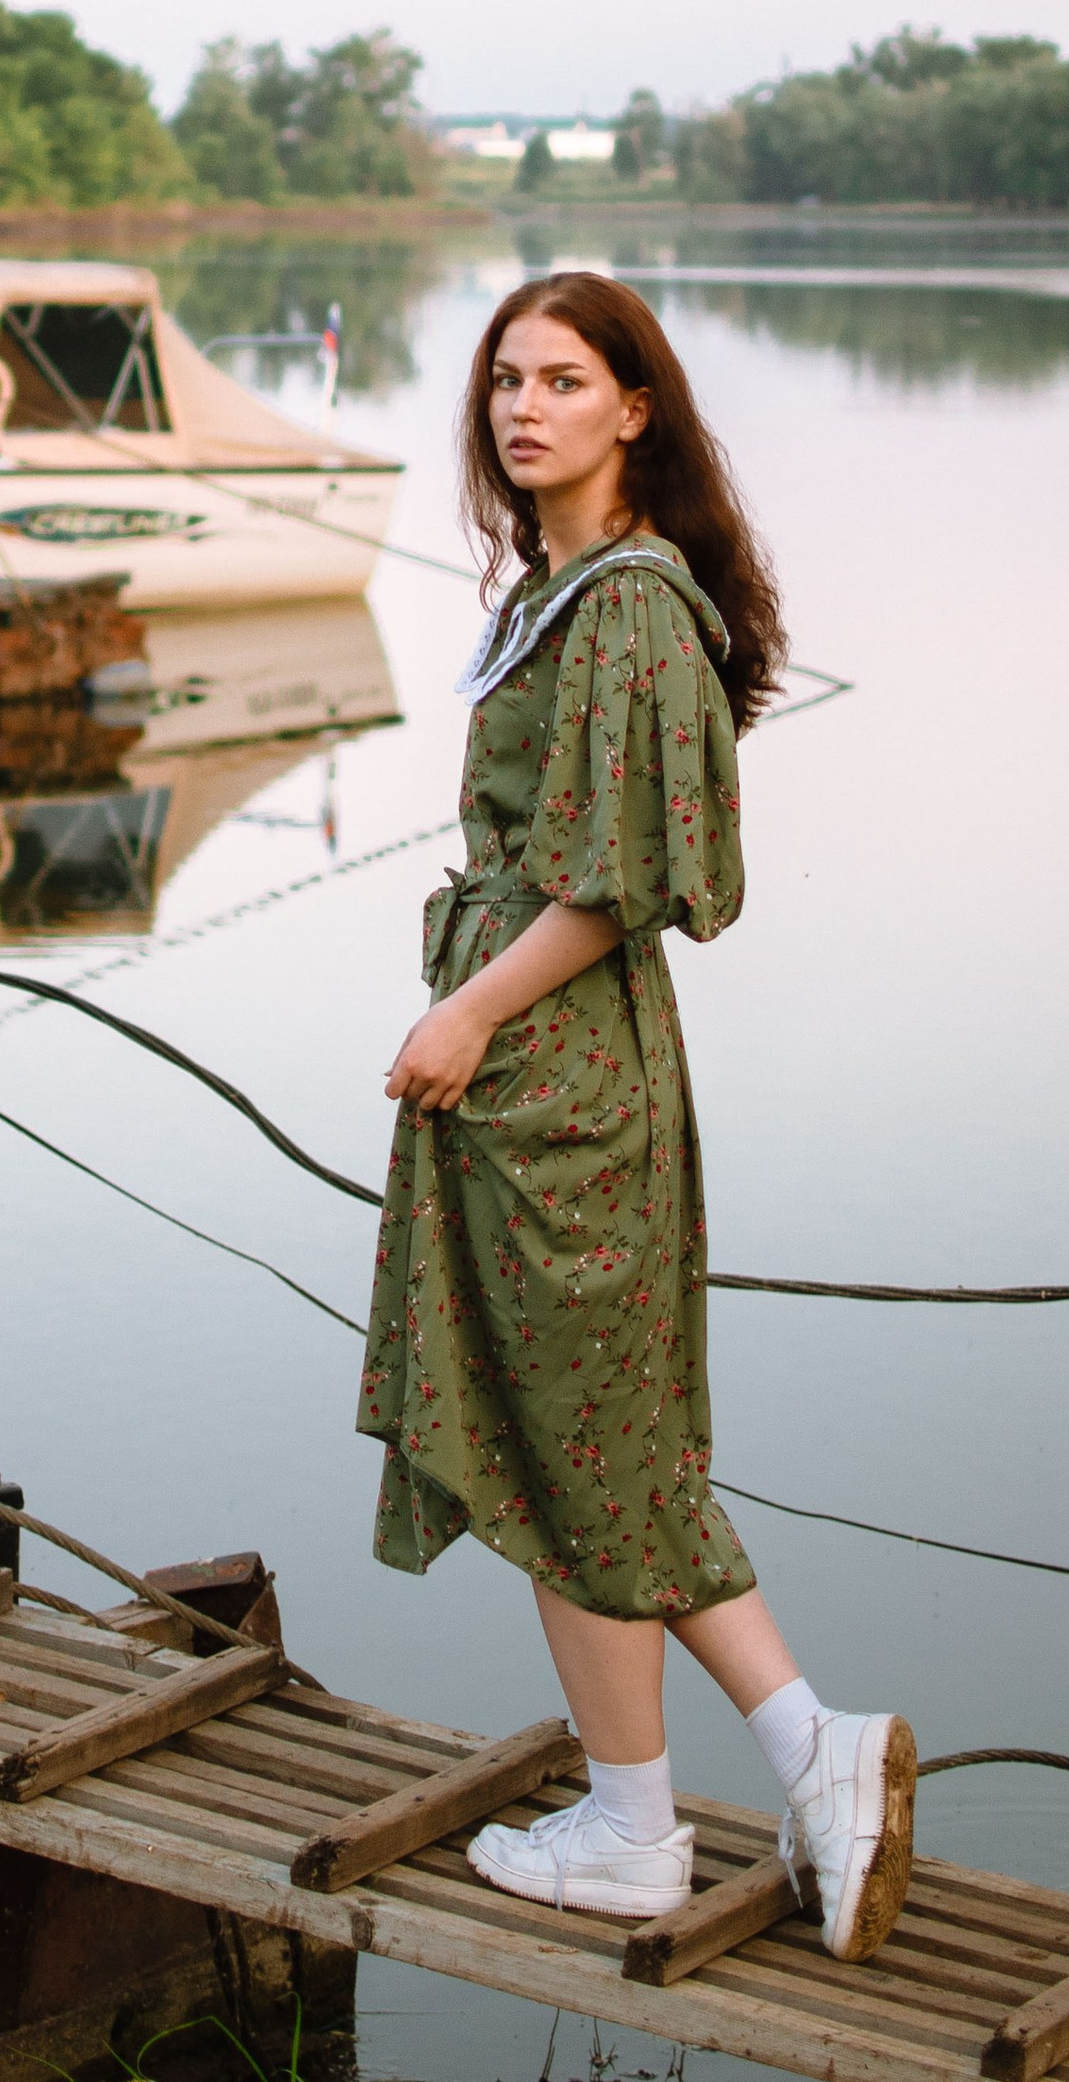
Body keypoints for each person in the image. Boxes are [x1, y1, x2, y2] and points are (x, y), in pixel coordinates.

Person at [358, 271, 915, 1957]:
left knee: (589, 1445)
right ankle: (705, 1790)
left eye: (563, 380)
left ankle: (687, 1795)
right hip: (530, 1069)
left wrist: (465, 1007)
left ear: (635, 408)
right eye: (505, 381)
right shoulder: (560, 588)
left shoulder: (631, 610)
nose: (524, 408)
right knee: (562, 1436)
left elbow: (630, 879)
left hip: (563, 1078)